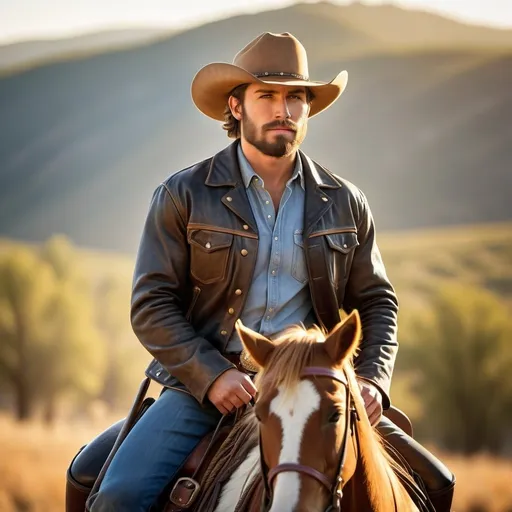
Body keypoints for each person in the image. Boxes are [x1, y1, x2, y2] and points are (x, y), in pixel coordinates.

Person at [88, 32, 455, 511]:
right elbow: (151, 305)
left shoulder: (345, 202)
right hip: (208, 390)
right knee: (118, 497)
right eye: (267, 95)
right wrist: (212, 375)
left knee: (436, 484)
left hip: (320, 392)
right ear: (236, 107)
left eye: (297, 97)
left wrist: (371, 380)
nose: (284, 110)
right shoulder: (183, 195)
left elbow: (378, 302)